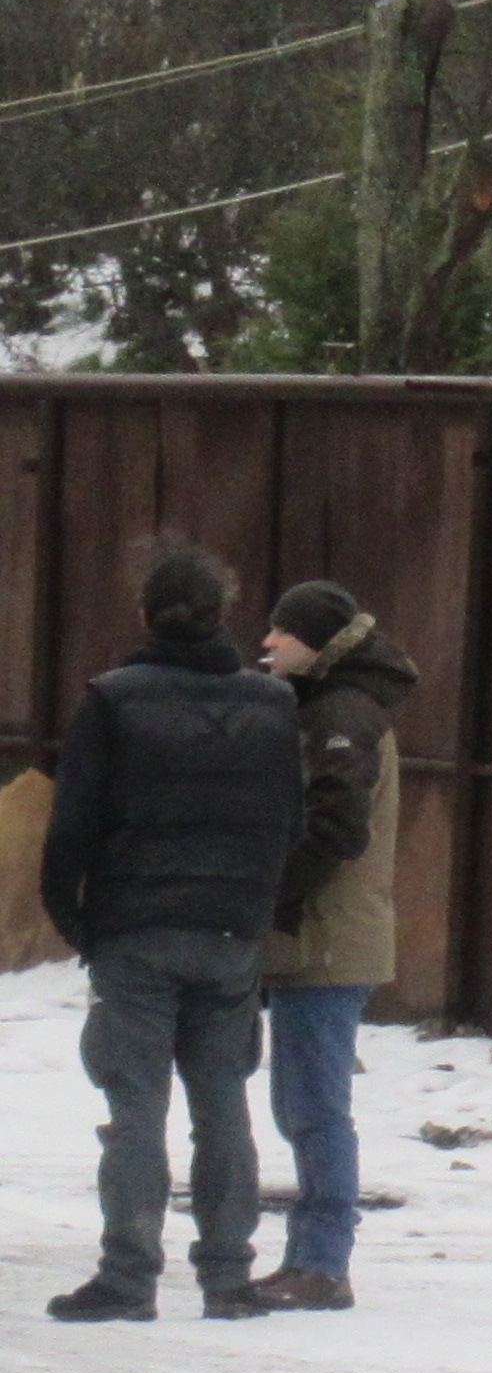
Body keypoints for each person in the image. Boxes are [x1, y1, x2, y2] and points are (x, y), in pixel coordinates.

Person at [39, 541, 300, 1322]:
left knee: (136, 1106)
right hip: (228, 933)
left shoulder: (115, 701)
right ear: (226, 616)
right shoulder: (273, 706)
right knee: (224, 1106)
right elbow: (294, 821)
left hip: (136, 931)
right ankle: (228, 1277)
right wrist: (257, 910)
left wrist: (78, 922)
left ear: (146, 616)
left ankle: (128, 1276)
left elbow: (71, 828)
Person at [253, 580, 417, 1313]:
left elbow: (336, 828)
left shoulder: (343, 715)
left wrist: (273, 898)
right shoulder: (328, 708)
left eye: (281, 633)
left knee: (315, 1107)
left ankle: (322, 1263)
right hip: (315, 942)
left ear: (316, 644)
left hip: (325, 943)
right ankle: (313, 1259)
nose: (267, 644)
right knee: (301, 1104)